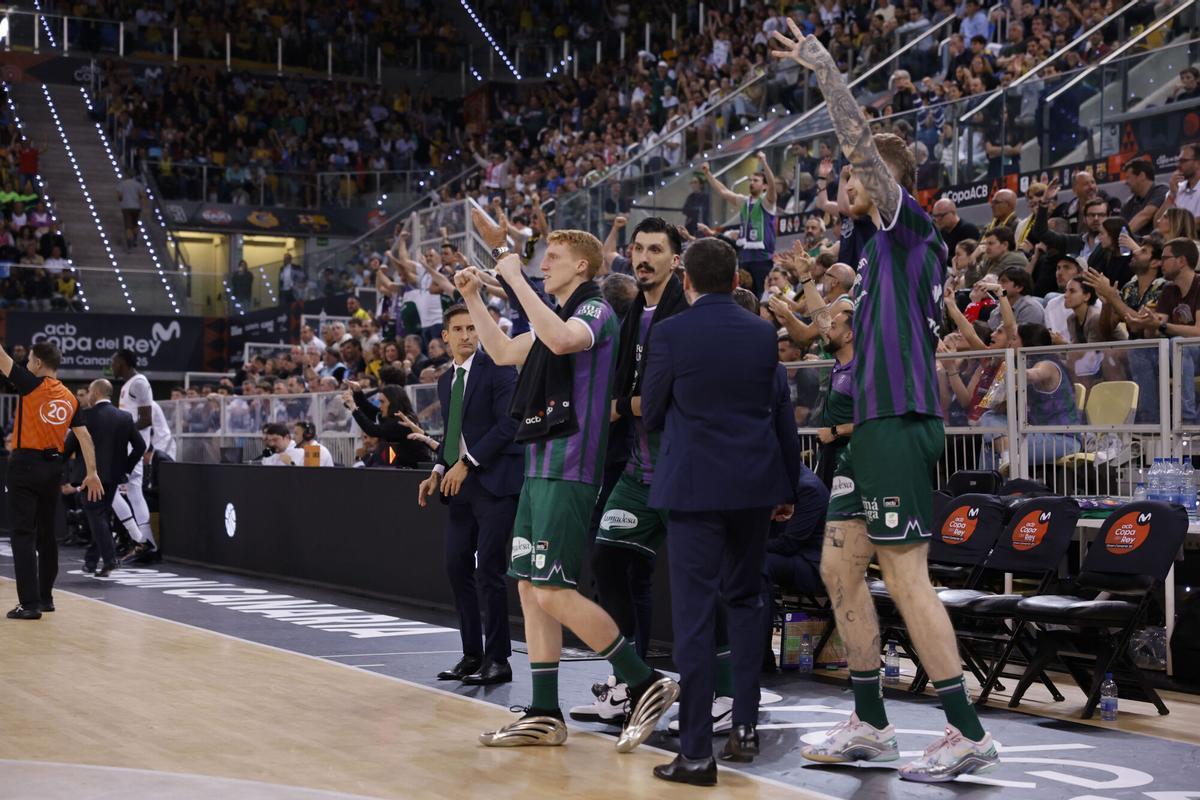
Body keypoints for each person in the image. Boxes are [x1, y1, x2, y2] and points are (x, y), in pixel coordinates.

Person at [770, 22, 998, 781]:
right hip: (868, 430)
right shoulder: (869, 250)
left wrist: (825, 71)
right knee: (840, 569)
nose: (844, 180)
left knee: (905, 577)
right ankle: (870, 723)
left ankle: (966, 730)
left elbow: (862, 144)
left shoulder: (906, 232)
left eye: (852, 172)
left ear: (883, 179)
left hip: (900, 423)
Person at [454, 208, 678, 751]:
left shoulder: (595, 310)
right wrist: (473, 298)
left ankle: (644, 680)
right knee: (530, 590)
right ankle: (544, 712)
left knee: (553, 589)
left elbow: (557, 339)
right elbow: (503, 352)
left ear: (581, 265)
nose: (543, 265)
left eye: (552, 258)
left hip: (570, 466)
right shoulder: (556, 316)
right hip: (538, 464)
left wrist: (510, 272)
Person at [641, 236, 801, 785]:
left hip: (693, 487)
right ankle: (746, 727)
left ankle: (695, 753)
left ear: (685, 281)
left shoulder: (669, 332)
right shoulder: (761, 333)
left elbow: (651, 412)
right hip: (754, 486)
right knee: (747, 602)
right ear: (735, 281)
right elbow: (780, 415)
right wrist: (787, 487)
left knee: (694, 618)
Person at [571, 217, 690, 727]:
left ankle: (722, 694)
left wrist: (623, 406)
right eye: (638, 248)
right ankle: (632, 682)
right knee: (606, 561)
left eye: (655, 250)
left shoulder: (684, 316)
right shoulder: (632, 312)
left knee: (698, 585)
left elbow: (672, 396)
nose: (643, 257)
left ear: (675, 260)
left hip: (682, 472)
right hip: (637, 471)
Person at [416, 304, 522, 687]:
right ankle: (472, 654)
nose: (466, 335)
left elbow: (509, 425)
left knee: (489, 570)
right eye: (458, 329)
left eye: (472, 328)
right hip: (460, 484)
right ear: (445, 336)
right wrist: (438, 469)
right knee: (456, 565)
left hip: (496, 481)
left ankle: (499, 660)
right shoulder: (447, 380)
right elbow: (453, 432)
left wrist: (468, 462)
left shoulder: (499, 369)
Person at [2, 341, 102, 619]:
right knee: (47, 535)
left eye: (29, 360)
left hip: (25, 465)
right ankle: (45, 598)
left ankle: (29, 604)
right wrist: (92, 472)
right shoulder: (70, 397)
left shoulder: (30, 384)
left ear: (37, 363)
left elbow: (0, 357)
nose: (26, 365)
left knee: (23, 534)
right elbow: (84, 437)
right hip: (53, 468)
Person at [70, 379, 145, 578]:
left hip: (90, 477)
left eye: (89, 391)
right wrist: (125, 468)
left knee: (97, 517)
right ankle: (91, 561)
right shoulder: (124, 417)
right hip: (113, 477)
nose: (88, 394)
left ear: (95, 393)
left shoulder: (85, 415)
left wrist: (55, 464)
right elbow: (140, 446)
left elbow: (69, 446)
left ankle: (110, 560)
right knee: (100, 518)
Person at [700, 151, 779, 295]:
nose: (751, 183)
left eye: (756, 180)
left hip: (762, 260)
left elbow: (773, 185)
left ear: (764, 186)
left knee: (762, 296)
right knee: (744, 297)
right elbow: (723, 191)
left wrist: (764, 162)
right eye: (750, 180)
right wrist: (708, 174)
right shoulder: (744, 201)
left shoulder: (767, 203)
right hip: (744, 258)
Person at [111, 349, 159, 563]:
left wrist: (123, 431)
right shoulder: (127, 385)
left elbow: (147, 419)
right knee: (133, 493)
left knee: (111, 491)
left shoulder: (139, 382)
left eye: (113, 362)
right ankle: (146, 544)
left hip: (134, 447)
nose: (112, 366)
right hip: (128, 446)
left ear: (122, 362)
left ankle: (143, 542)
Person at [342, 384, 431, 468]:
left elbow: (372, 430)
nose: (380, 406)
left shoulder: (403, 422)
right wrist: (358, 392)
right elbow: (371, 411)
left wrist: (353, 407)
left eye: (382, 402)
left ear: (393, 402)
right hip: (403, 468)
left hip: (417, 470)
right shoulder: (392, 417)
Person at [814, 308, 855, 489]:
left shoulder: (860, 372)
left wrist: (835, 431)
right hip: (830, 460)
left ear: (848, 336)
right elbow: (818, 316)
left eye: (833, 326)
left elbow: (874, 422)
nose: (827, 332)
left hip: (851, 464)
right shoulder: (839, 364)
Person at [117, 173, 145, 251]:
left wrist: (122, 200)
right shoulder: (138, 184)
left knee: (128, 226)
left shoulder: (122, 184)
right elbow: (142, 196)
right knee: (135, 224)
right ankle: (135, 239)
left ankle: (129, 245)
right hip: (136, 207)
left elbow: (119, 196)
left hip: (126, 207)